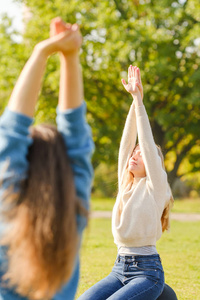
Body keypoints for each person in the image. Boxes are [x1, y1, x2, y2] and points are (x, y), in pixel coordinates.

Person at [0, 17, 94, 300]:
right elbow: (75, 137)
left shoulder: (8, 215)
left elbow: (11, 131)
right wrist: (71, 56)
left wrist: (43, 51)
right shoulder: (72, 216)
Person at [78, 65, 176, 300]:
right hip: (119, 268)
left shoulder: (156, 186)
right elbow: (126, 143)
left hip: (147, 272)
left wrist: (140, 104)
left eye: (141, 154)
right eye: (135, 152)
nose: (134, 155)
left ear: (153, 162)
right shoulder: (127, 186)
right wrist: (134, 100)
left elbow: (146, 141)